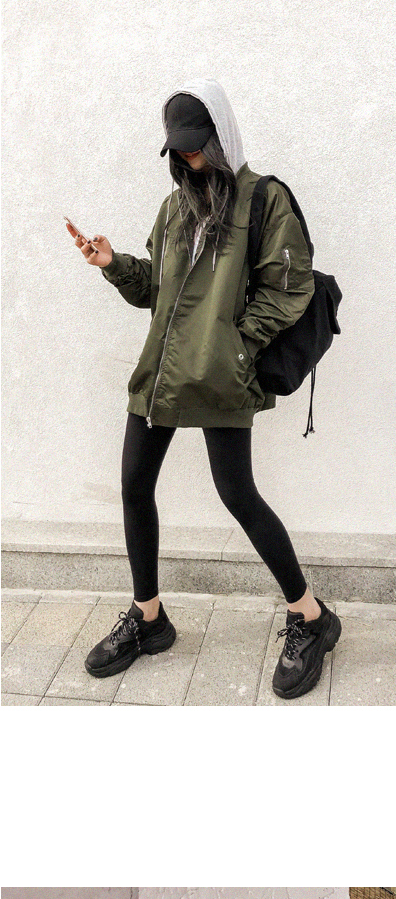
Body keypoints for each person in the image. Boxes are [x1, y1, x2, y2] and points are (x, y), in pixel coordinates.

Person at [67, 81, 341, 703]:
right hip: (162, 371)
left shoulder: (264, 198)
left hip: (222, 373)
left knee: (237, 494)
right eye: (180, 149)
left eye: (197, 145)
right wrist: (113, 264)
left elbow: (289, 285)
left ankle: (311, 616)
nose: (189, 158)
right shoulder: (174, 207)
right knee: (134, 485)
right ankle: (149, 618)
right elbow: (157, 291)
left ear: (222, 136)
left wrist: (237, 347)